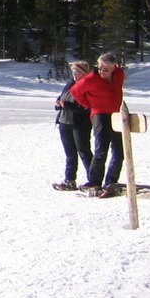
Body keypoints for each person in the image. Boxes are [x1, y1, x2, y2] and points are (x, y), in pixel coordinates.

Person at [70, 53, 125, 198]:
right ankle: (94, 181)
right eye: (100, 68)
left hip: (116, 115)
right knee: (101, 149)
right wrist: (90, 106)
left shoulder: (119, 74)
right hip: (99, 114)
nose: (102, 71)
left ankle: (111, 181)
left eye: (106, 69)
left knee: (119, 150)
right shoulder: (91, 79)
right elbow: (75, 92)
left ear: (114, 67)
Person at [52, 61, 93, 191]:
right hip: (64, 123)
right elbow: (61, 99)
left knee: (84, 152)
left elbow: (87, 108)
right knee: (70, 154)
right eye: (73, 72)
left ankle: (93, 180)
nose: (75, 75)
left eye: (78, 72)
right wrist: (58, 104)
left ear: (84, 73)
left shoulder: (88, 86)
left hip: (80, 124)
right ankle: (69, 180)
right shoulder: (70, 84)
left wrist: (68, 106)